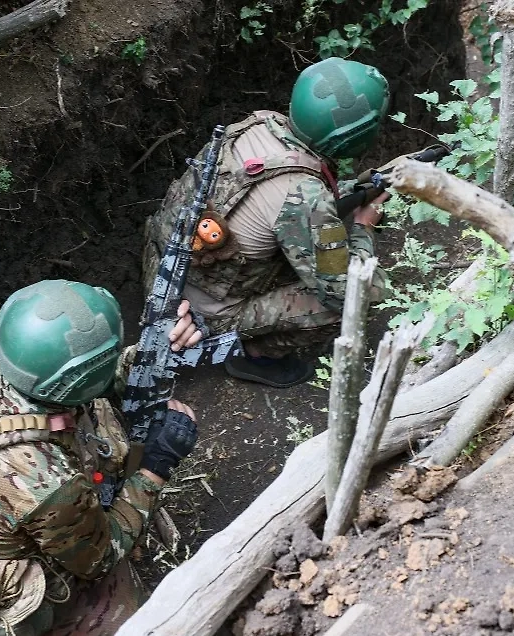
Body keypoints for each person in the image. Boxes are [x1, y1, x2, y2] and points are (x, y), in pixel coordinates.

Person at [0, 279, 203, 636]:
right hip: (16, 570)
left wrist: (153, 356)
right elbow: (99, 559)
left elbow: (82, 377)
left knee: (106, 429)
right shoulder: (46, 483)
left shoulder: (4, 368)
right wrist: (157, 467)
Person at [143, 57, 391, 388]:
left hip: (163, 264)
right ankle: (253, 354)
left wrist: (353, 190)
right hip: (205, 310)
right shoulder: (304, 197)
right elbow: (344, 291)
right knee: (360, 298)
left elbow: (263, 197)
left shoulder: (260, 125)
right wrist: (363, 225)